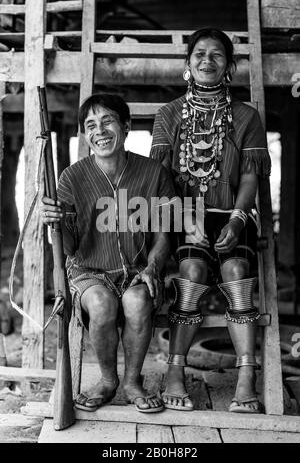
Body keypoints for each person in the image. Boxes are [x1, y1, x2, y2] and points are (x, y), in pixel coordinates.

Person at [150, 28, 271, 413]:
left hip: (232, 213)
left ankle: (246, 378)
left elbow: (250, 174)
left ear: (229, 65)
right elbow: (160, 177)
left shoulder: (246, 116)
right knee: (191, 273)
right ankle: (174, 372)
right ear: (188, 64)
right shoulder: (168, 115)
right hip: (186, 215)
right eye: (199, 54)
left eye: (216, 55)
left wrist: (237, 221)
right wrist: (185, 216)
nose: (207, 61)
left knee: (237, 273)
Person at [41, 93, 176, 413]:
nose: (99, 130)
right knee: (101, 303)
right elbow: (69, 249)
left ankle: (131, 381)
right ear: (85, 136)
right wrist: (56, 224)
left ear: (126, 126)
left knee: (138, 299)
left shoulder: (153, 172)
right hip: (89, 270)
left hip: (139, 269)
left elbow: (164, 234)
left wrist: (153, 267)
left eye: (107, 121)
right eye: (90, 125)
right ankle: (106, 380)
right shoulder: (71, 177)